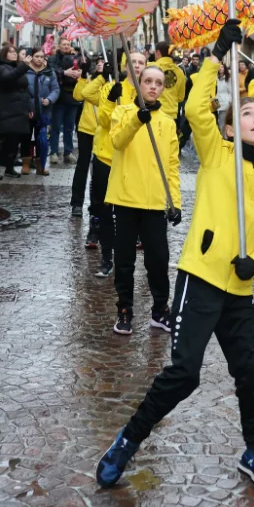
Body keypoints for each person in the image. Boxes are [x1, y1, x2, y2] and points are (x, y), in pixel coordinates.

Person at [96, 20, 254, 490]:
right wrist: (216, 54)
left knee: (250, 373)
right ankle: (127, 439)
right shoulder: (218, 154)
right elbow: (198, 104)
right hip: (200, 279)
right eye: (248, 113)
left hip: (239, 290)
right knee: (184, 374)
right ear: (231, 126)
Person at [107, 64, 181, 335]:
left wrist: (175, 203)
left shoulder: (168, 122)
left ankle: (160, 310)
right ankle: (124, 309)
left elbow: (171, 166)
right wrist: (137, 119)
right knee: (124, 260)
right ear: (138, 83)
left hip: (153, 203)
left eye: (158, 83)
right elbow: (118, 141)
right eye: (147, 81)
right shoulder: (123, 112)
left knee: (159, 259)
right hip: (126, 199)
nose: (152, 86)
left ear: (163, 88)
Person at [86, 52, 142, 275]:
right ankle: (107, 257)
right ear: (124, 65)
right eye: (132, 62)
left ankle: (124, 259)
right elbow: (105, 121)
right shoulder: (111, 87)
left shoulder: (144, 91)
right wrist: (110, 101)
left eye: (140, 63)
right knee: (105, 210)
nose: (136, 66)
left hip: (132, 160)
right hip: (106, 157)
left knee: (129, 213)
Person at [0, 46, 32, 180]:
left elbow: (24, 89)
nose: (14, 54)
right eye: (10, 52)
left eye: (14, 52)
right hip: (4, 109)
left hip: (18, 110)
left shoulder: (17, 67)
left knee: (14, 140)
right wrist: (23, 66)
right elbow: (7, 78)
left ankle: (9, 167)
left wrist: (29, 108)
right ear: (4, 54)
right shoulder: (0, 67)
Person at [68, 56, 102, 218]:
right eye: (99, 63)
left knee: (100, 170)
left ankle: (99, 205)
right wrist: (82, 77)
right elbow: (78, 96)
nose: (101, 65)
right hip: (86, 129)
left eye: (104, 62)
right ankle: (77, 203)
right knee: (82, 165)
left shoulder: (113, 82)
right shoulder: (89, 79)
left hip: (105, 131)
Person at [25, 48, 59, 175]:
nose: (39, 59)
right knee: (26, 137)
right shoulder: (25, 71)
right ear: (31, 57)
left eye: (42, 56)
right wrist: (28, 106)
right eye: (37, 56)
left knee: (42, 139)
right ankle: (26, 163)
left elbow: (55, 89)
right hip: (29, 110)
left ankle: (41, 164)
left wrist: (49, 99)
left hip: (44, 111)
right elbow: (22, 91)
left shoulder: (50, 72)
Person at [49, 39, 81, 164]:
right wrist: (64, 73)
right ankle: (54, 152)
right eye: (64, 44)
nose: (66, 46)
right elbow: (51, 70)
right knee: (56, 126)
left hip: (72, 96)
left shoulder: (76, 58)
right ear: (59, 46)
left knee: (69, 127)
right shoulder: (53, 58)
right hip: (59, 97)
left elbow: (84, 68)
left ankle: (68, 152)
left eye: (68, 44)